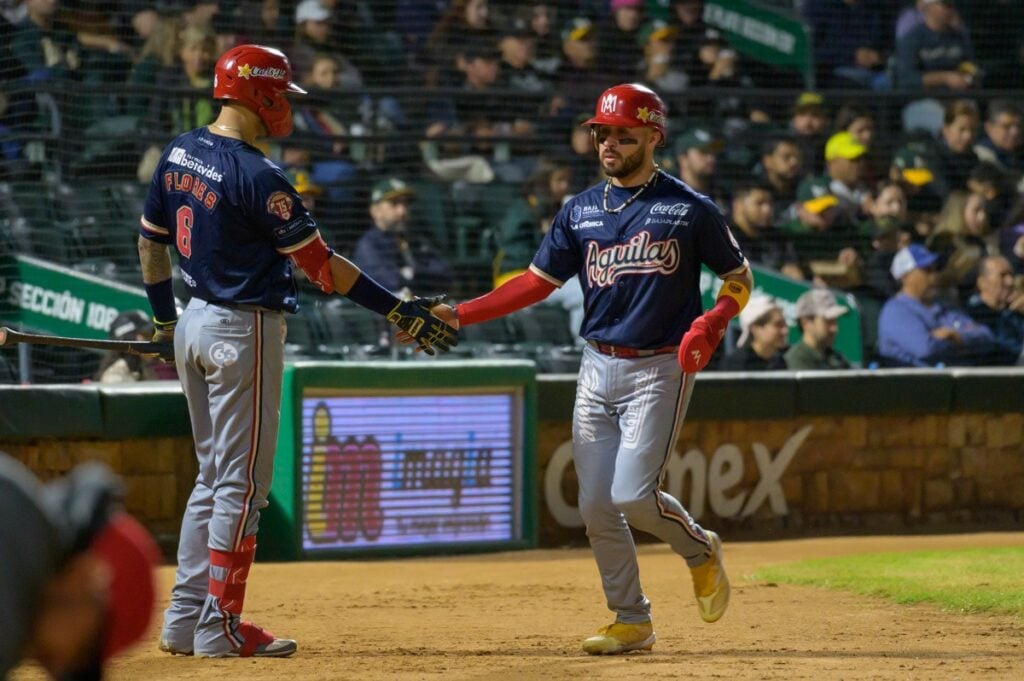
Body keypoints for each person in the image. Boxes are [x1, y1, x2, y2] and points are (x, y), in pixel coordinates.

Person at [137, 44, 457, 659]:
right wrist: (397, 308)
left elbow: (150, 244)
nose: (285, 106)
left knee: (212, 479)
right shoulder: (260, 175)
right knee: (242, 487)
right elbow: (321, 268)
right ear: (259, 95)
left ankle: (184, 620)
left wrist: (160, 317)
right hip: (242, 329)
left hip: (193, 323)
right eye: (280, 94)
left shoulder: (179, 149)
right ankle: (218, 626)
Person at [423, 83, 746, 655]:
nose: (609, 143)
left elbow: (739, 279)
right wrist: (461, 313)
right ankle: (632, 619)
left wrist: (716, 319)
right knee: (596, 504)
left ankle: (700, 549)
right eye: (602, 132)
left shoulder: (689, 209)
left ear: (654, 137)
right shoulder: (580, 210)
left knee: (631, 496)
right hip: (597, 364)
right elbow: (533, 284)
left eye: (624, 133)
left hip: (658, 367)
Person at [1, 456, 160, 680]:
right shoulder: (13, 566)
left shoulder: (18, 509)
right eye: (85, 652)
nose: (58, 668)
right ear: (90, 578)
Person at [877, 244, 993, 367]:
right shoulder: (896, 311)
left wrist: (956, 336)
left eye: (935, 269)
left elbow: (986, 337)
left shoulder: (945, 307)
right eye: (927, 270)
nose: (934, 276)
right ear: (905, 276)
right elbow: (926, 349)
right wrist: (964, 344)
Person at [351, 178, 453, 298]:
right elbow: (390, 282)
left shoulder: (415, 240)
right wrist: (420, 276)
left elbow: (445, 273)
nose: (402, 211)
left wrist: (412, 273)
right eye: (394, 204)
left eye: (406, 204)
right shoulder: (368, 244)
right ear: (375, 211)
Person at [894, 0, 976, 91]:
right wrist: (944, 78)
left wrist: (967, 78)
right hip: (923, 98)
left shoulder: (959, 37)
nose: (950, 10)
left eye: (952, 6)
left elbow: (970, 65)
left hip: (957, 95)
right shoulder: (912, 39)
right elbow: (906, 79)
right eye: (946, 5)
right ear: (929, 7)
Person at [965, 255, 1024, 365]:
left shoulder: (1016, 313)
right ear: (982, 283)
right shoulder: (972, 315)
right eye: (1002, 276)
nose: (1010, 282)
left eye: (1011, 275)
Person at [95, 309, 178, 383]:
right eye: (146, 336)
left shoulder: (145, 370)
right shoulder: (116, 378)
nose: (153, 341)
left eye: (153, 335)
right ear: (129, 342)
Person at [784, 288, 851, 370]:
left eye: (835, 321)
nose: (835, 328)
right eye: (828, 321)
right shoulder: (796, 360)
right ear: (806, 322)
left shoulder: (837, 358)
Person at [720, 295, 788, 370]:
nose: (785, 331)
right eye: (778, 325)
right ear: (755, 328)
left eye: (784, 324)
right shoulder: (735, 366)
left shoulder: (781, 363)